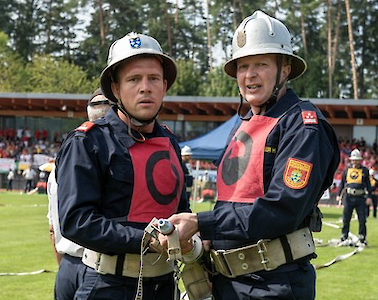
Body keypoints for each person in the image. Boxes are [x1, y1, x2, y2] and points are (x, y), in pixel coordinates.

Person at [159, 10, 340, 300]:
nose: (249, 75)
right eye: (242, 66)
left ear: (285, 70)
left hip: (274, 284)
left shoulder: (303, 126)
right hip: (226, 281)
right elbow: (233, 201)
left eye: (261, 64)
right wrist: (208, 241)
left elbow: (283, 209)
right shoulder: (243, 125)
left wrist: (202, 223)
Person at [55, 32, 190, 300]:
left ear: (164, 85)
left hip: (166, 286)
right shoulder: (88, 141)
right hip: (107, 285)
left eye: (153, 79)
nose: (145, 87)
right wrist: (146, 240)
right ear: (115, 89)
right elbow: (76, 221)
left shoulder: (170, 142)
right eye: (133, 80)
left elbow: (181, 210)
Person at [47, 88, 112, 300]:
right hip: (102, 268)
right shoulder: (116, 162)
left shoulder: (60, 162)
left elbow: (51, 228)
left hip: (68, 264)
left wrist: (64, 268)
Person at [337, 149, 372, 245]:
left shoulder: (364, 170)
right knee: (346, 218)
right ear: (351, 160)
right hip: (349, 197)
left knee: (362, 219)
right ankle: (344, 236)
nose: (355, 162)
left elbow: (368, 185)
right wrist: (339, 195)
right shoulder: (346, 170)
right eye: (353, 160)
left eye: (357, 160)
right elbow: (342, 183)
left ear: (359, 160)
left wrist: (369, 197)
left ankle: (362, 237)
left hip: (360, 197)